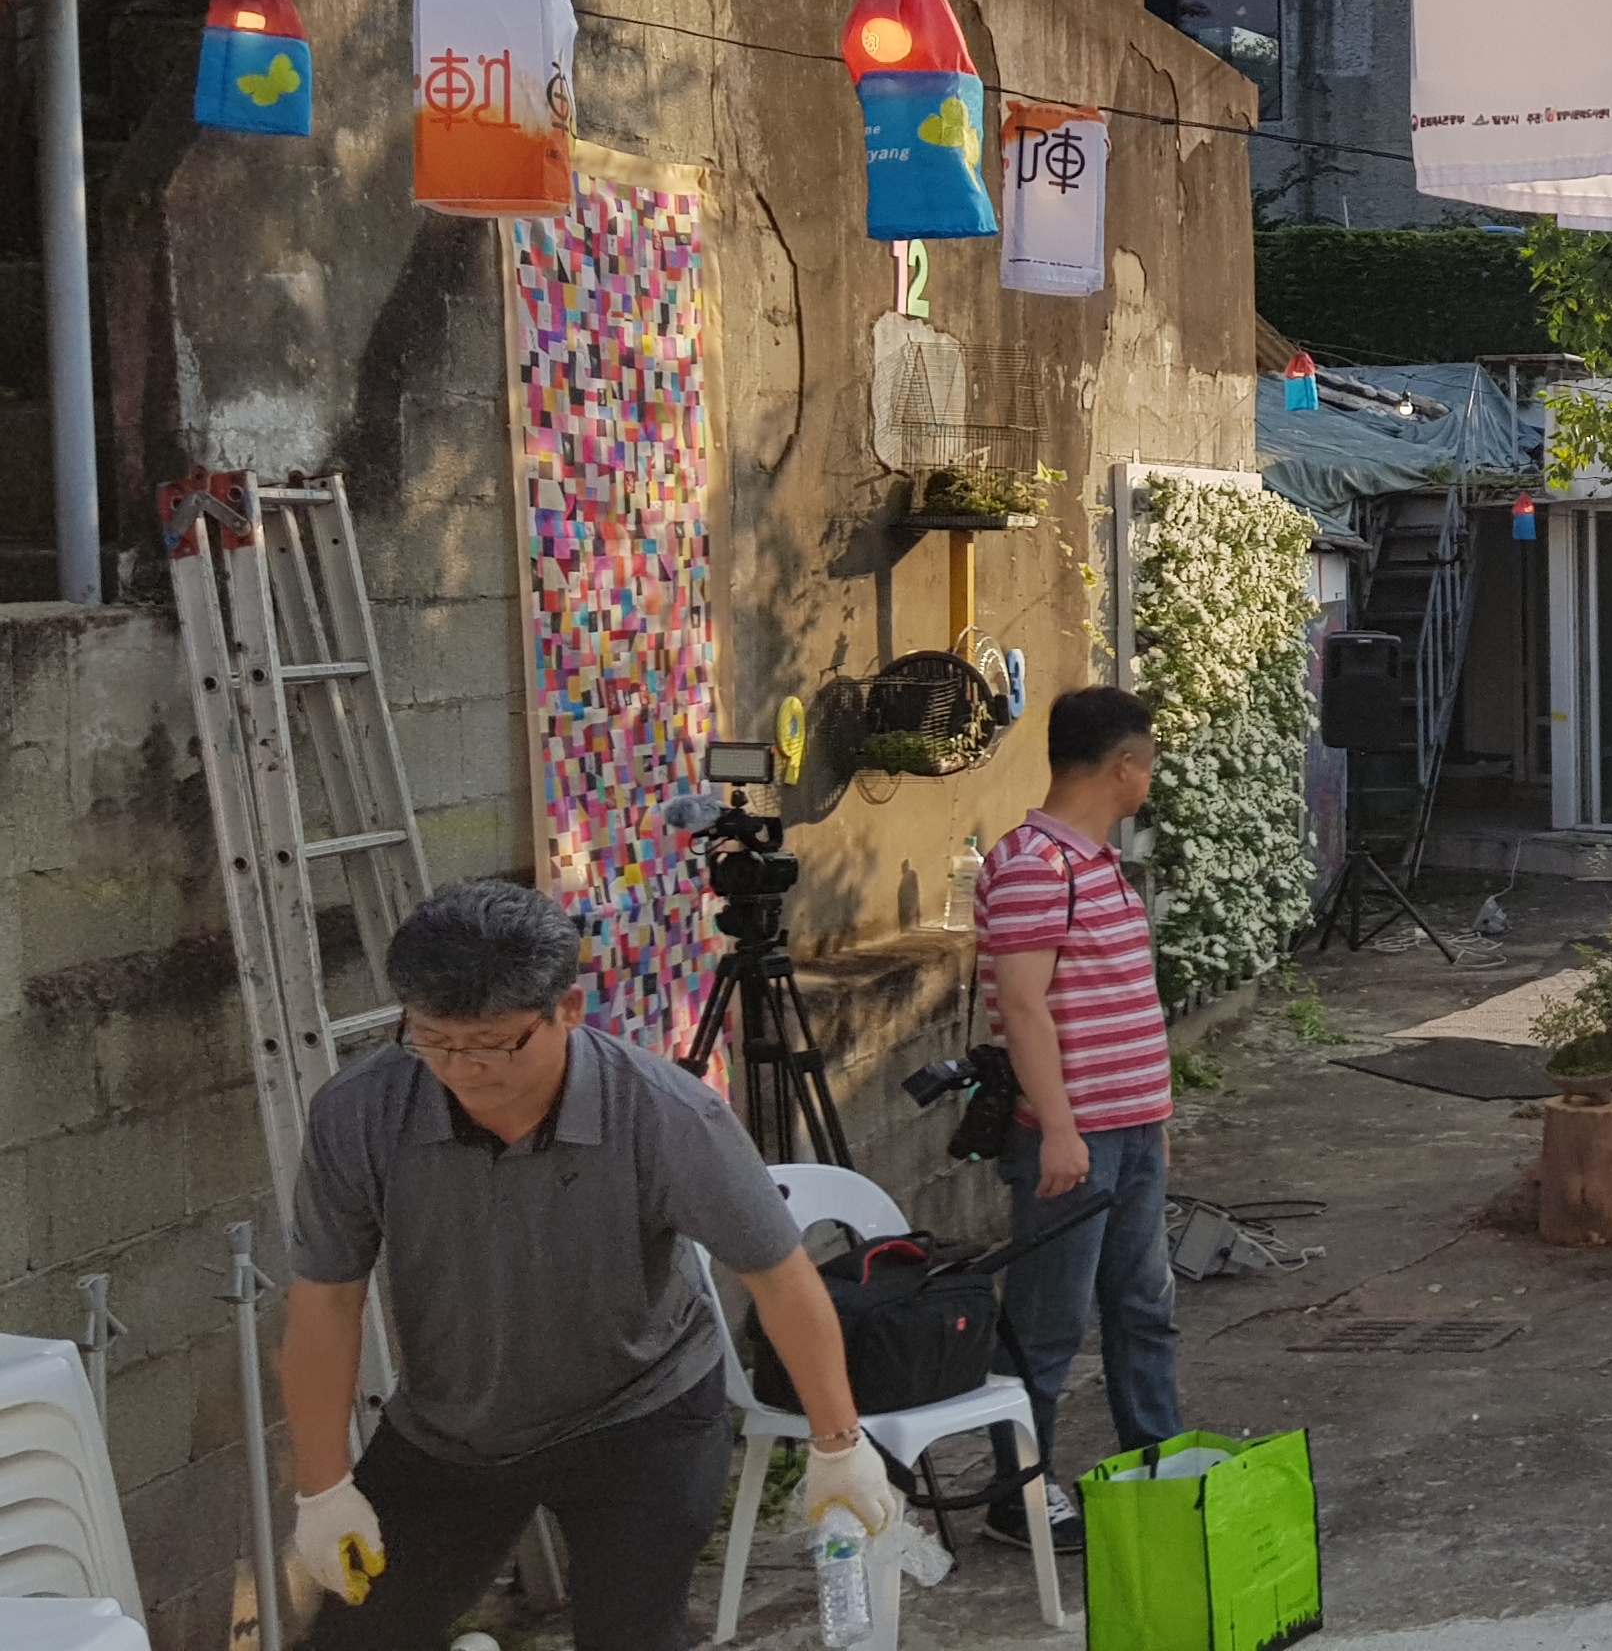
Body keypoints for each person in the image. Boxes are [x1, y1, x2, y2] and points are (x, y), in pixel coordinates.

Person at [280, 880, 902, 1651]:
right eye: (432, 1038)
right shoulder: (360, 1112)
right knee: (357, 1635)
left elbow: (779, 1277)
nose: (461, 1068)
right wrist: (323, 1487)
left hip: (640, 1415)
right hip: (451, 1427)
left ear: (568, 1010)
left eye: (494, 1043)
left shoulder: (668, 1116)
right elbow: (326, 1302)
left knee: (631, 1636)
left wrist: (839, 1443)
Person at [975, 684, 1185, 1550]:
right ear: (1124, 766)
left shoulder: (1097, 864)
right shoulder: (1035, 865)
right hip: (1074, 1139)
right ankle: (1018, 1496)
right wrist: (1058, 1128)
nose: (1150, 780)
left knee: (1143, 1307)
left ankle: (1161, 1464)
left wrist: (1150, 1118)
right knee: (1047, 1324)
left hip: (1130, 1131)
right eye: (1149, 764)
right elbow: (1024, 1008)